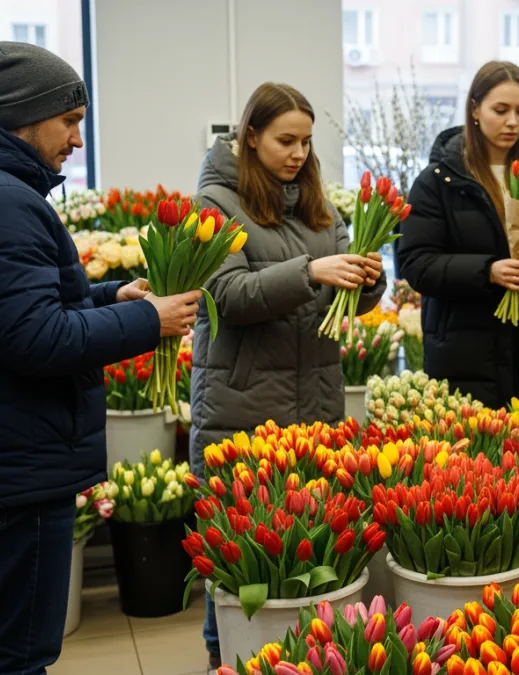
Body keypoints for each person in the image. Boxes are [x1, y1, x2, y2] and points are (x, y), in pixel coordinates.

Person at [0, 42, 200, 674]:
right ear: (26, 116)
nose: (78, 140)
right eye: (70, 121)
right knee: (20, 649)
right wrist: (150, 320)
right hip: (20, 459)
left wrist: (109, 295)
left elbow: (6, 309)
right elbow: (35, 339)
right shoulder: (0, 201)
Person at [188, 82, 386, 668]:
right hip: (242, 408)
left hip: (317, 404)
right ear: (250, 136)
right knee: (237, 561)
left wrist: (366, 277)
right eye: (284, 140)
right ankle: (221, 658)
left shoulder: (318, 204)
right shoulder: (215, 204)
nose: (298, 153)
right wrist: (311, 269)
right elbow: (223, 294)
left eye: (305, 141)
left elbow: (352, 288)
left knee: (302, 555)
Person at [398, 61, 519, 409]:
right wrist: (488, 271)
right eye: (501, 110)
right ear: (474, 109)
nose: (512, 122)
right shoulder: (438, 181)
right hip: (465, 356)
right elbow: (415, 264)